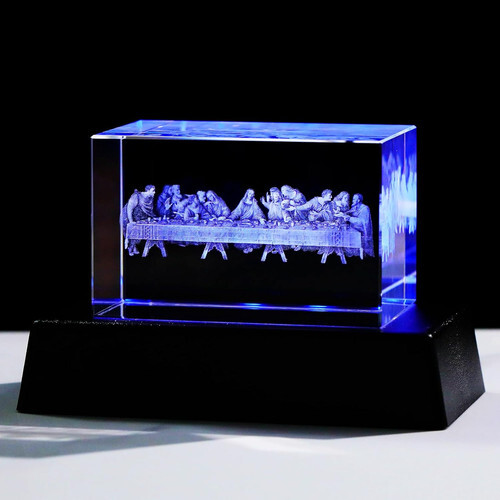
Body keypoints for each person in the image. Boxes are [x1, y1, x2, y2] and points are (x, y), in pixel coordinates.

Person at [121, 185, 156, 255]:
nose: (154, 192)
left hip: (139, 218)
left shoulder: (150, 198)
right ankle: (130, 248)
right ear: (148, 190)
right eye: (153, 191)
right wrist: (131, 221)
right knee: (133, 232)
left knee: (139, 233)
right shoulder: (136, 196)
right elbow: (129, 209)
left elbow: (148, 211)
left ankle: (134, 247)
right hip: (129, 217)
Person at [229, 188, 266, 253]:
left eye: (252, 194)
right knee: (242, 234)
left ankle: (250, 246)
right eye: (250, 193)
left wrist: (260, 218)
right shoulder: (243, 202)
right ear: (247, 194)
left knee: (253, 233)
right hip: (243, 222)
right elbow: (237, 212)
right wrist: (231, 218)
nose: (251, 195)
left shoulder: (254, 202)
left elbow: (258, 212)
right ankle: (245, 247)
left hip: (252, 222)